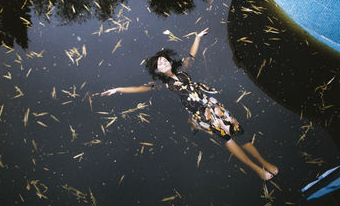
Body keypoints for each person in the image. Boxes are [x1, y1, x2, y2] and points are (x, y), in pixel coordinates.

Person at [101, 28, 278, 180]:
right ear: (158, 70)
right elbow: (141, 88)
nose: (163, 63)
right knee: (227, 137)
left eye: (164, 60)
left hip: (214, 105)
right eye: (160, 64)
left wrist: (198, 37)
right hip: (201, 115)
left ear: (170, 62)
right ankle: (256, 169)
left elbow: (191, 55)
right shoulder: (163, 85)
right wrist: (118, 89)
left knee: (237, 130)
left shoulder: (183, 71)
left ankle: (263, 162)